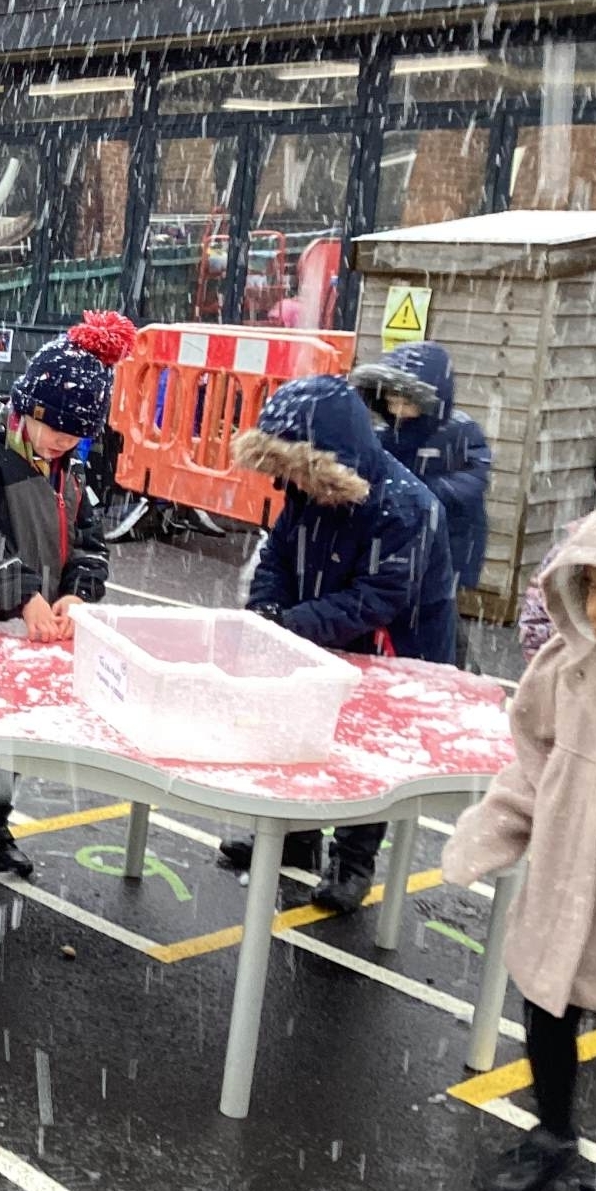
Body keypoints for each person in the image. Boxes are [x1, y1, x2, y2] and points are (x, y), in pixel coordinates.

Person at [442, 484, 596, 1191]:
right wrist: (492, 830)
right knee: (547, 1012)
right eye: (593, 588)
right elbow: (530, 761)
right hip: (562, 883)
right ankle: (552, 1130)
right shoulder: (567, 668)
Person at [222, 374, 458, 909]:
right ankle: (296, 835)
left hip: (397, 649)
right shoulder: (306, 489)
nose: (290, 484)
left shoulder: (408, 507)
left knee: (368, 755)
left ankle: (353, 859)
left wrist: (289, 623)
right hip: (320, 632)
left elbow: (377, 599)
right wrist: (266, 610)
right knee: (300, 729)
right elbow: (277, 556)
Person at [0, 310, 134, 880]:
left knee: (14, 737)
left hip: (33, 624)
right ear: (29, 409)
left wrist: (77, 593)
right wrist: (23, 593)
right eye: (57, 429)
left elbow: (90, 541)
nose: (64, 442)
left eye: (76, 435)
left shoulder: (70, 468)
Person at [351, 342, 491, 667]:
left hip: (452, 542)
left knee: (439, 611)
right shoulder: (386, 436)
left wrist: (423, 493)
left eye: (406, 402)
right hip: (406, 540)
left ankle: (458, 667)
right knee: (407, 609)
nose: (398, 409)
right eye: (392, 401)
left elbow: (474, 478)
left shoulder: (460, 432)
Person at [521, 428, 596, 665]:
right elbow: (538, 615)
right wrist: (565, 657)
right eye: (590, 586)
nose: (595, 611)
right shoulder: (580, 543)